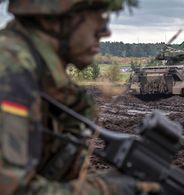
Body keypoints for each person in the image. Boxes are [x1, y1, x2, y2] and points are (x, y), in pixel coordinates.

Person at [0, 0, 157, 194]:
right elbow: (12, 189)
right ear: (54, 20)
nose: (105, 32)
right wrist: (106, 189)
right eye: (96, 17)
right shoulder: (11, 74)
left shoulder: (41, 75)